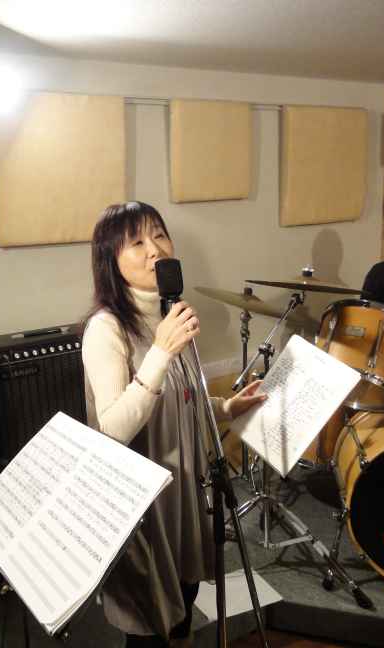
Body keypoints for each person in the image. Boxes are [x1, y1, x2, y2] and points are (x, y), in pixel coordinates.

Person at [81, 201, 266, 647]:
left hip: (184, 489)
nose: (155, 249)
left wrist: (226, 407)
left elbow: (183, 399)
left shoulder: (171, 314)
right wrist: (161, 352)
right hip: (144, 504)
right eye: (137, 242)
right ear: (110, 260)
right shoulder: (106, 329)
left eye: (160, 235)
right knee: (150, 623)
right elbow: (112, 430)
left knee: (183, 603)